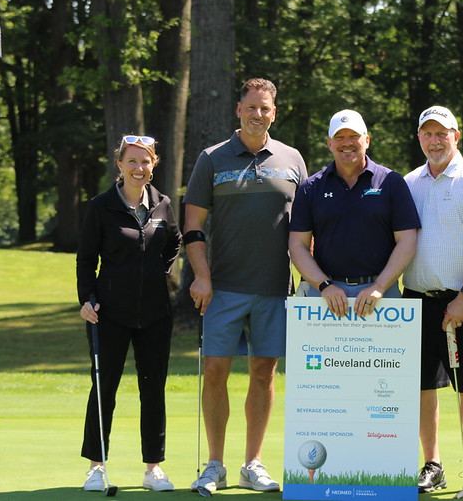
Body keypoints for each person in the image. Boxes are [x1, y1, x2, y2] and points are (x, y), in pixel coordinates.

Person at [183, 78, 307, 494]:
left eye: (265, 108)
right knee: (215, 371)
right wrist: (202, 276)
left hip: (275, 288)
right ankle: (214, 464)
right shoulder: (211, 158)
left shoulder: (292, 159)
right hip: (223, 288)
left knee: (264, 372)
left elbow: (306, 227)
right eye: (251, 107)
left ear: (274, 112)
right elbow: (193, 225)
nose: (258, 114)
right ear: (238, 110)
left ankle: (252, 463)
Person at [401, 106, 463, 496]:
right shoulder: (409, 183)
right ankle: (433, 464)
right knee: (423, 386)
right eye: (427, 133)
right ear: (419, 138)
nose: (435, 141)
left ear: (455, 136)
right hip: (418, 299)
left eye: (442, 133)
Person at [76, 135, 182, 492]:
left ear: (154, 165)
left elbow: (174, 241)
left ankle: (153, 468)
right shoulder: (101, 206)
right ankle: (96, 467)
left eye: (145, 161)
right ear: (120, 164)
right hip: (108, 313)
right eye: (132, 161)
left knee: (152, 390)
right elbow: (86, 259)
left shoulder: (163, 204)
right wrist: (87, 299)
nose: (139, 168)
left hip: (155, 313)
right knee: (104, 388)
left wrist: (158, 271)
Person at [289, 109, 420, 315]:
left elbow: (407, 240)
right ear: (329, 143)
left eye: (353, 136)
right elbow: (297, 245)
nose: (347, 142)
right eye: (339, 137)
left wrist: (380, 286)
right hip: (325, 294)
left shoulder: (391, 182)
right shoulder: (311, 188)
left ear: (367, 140)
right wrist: (324, 285)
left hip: (381, 293)